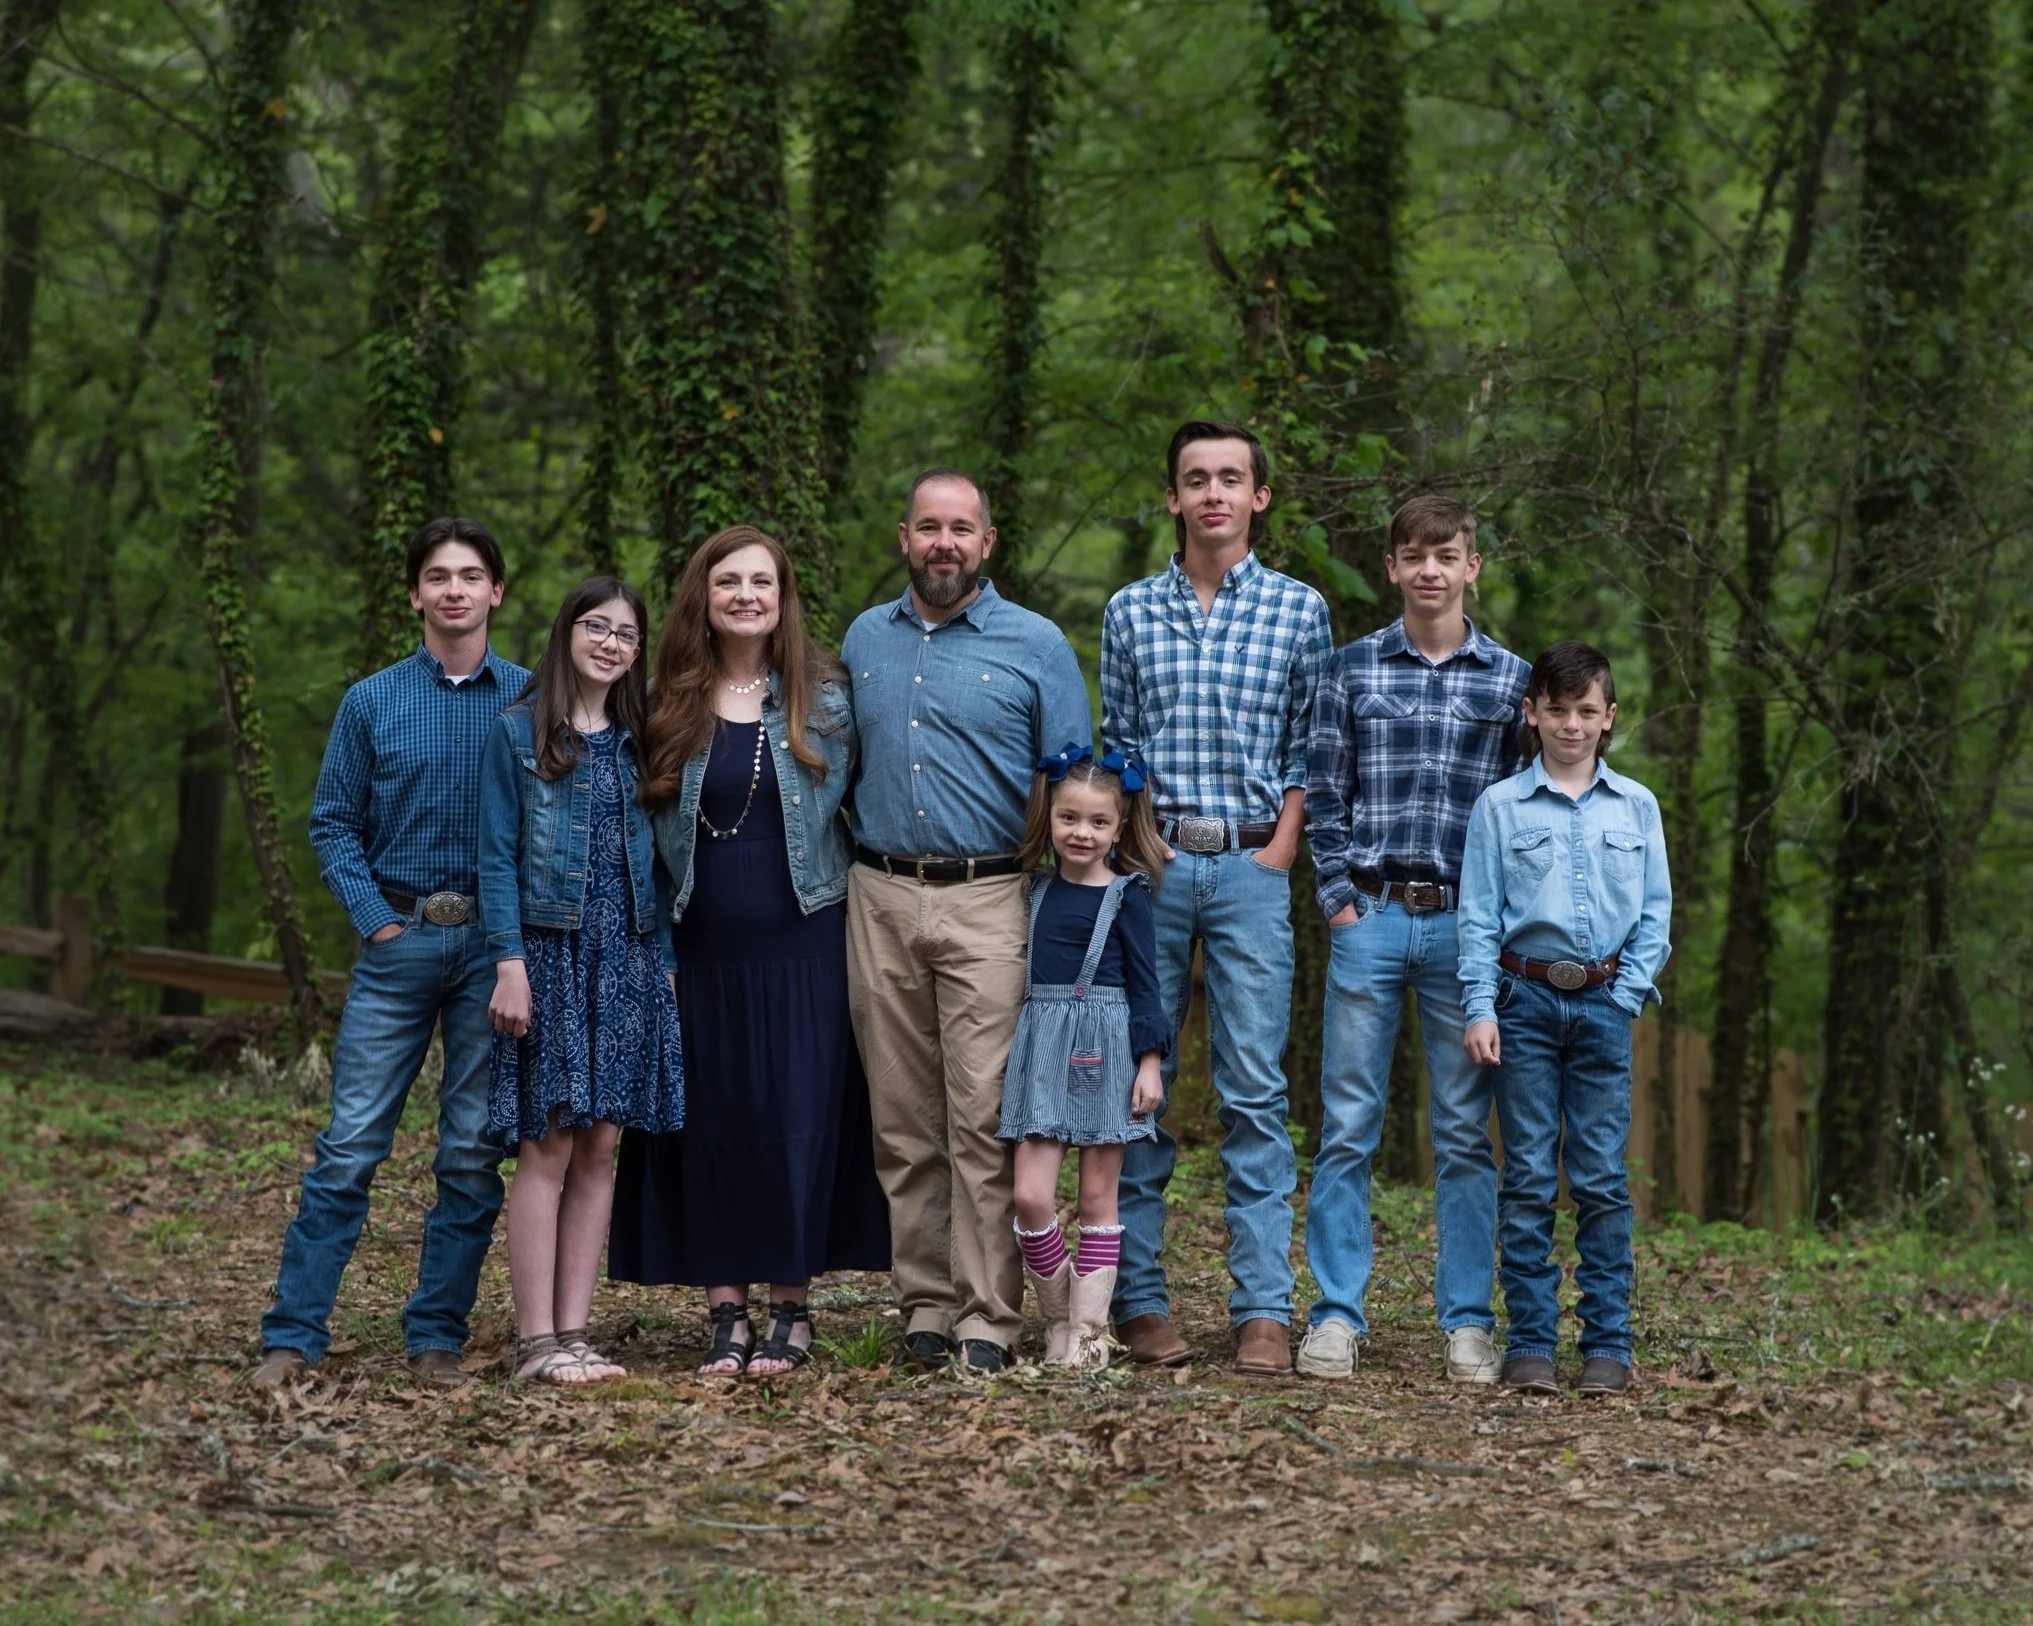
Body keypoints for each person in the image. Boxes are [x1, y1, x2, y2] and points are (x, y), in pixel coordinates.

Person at [256, 518, 530, 1388]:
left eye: (472, 575)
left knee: (470, 1151)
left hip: (495, 947)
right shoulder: (371, 701)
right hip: (399, 940)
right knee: (350, 1146)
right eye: (438, 577)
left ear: (496, 592)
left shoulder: (531, 699)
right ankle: (293, 1336)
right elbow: (332, 824)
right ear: (414, 594)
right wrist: (378, 921)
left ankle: (435, 1338)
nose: (455, 589)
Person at [611, 526, 890, 1378]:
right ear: (703, 594)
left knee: (797, 1120)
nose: (744, 595)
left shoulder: (828, 700)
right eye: (727, 581)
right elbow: (636, 836)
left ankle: (791, 1310)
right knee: (715, 1123)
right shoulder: (664, 699)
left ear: (782, 595)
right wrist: (648, 937)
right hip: (699, 944)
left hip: (808, 937)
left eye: (760, 582)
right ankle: (725, 1310)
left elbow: (870, 812)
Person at [843, 468, 1091, 1376]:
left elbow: (1073, 785)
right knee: (902, 1120)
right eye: (927, 527)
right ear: (903, 537)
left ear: (988, 542)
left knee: (984, 1117)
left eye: (961, 528)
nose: (943, 542)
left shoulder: (1036, 644)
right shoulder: (865, 638)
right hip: (877, 894)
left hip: (991, 896)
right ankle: (924, 1303)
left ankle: (989, 1317)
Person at [1100, 420, 1333, 1375]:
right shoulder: (1128, 611)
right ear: (1172, 498)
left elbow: (1311, 744)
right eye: (1195, 479)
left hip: (1249, 867)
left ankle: (1264, 1311)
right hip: (1153, 866)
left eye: (1230, 479)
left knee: (1252, 1089)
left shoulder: (1298, 609)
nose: (1212, 495)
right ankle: (1141, 1301)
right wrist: (1131, 846)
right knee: (1136, 1088)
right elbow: (1118, 741)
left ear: (1257, 497)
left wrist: (1280, 850)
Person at [1299, 494, 1530, 1384]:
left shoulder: (1511, 684)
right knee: (1348, 1124)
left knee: (1466, 1135)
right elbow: (1324, 793)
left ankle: (1467, 1322)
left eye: (1448, 555)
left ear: (1473, 566)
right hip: (1372, 916)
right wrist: (1338, 901)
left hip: (1466, 934)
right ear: (1391, 567)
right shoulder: (1349, 669)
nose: (1430, 570)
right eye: (1413, 556)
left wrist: (1498, 926)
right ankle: (1333, 1315)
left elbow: (1524, 816)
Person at [478, 577, 685, 1386]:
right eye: (596, 627)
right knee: (550, 1141)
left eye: (626, 634)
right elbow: (494, 856)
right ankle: (535, 1343)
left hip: (627, 956)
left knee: (602, 1145)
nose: (610, 643)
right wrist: (508, 966)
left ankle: (574, 1331)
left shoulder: (641, 739)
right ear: (566, 633)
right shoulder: (518, 734)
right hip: (548, 954)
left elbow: (660, 869)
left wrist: (663, 963)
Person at [1456, 642, 1670, 1396]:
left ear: (1608, 718)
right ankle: (1532, 1345)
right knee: (1526, 1180)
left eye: (1586, 711)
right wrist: (1480, 1008)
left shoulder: (1635, 806)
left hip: (1604, 1005)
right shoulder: (1500, 807)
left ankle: (1607, 1344)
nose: (1570, 724)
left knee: (1601, 1177)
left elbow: (1654, 913)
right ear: (1532, 713)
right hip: (1524, 1004)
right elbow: (1478, 917)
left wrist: (1625, 993)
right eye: (1556, 709)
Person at [1000, 746, 1169, 1367]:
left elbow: (1149, 987)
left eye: (1099, 822)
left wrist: (1149, 1063)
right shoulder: (1033, 889)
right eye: (1070, 818)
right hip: (1043, 1044)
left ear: (1120, 828)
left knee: (1099, 1199)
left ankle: (1088, 1337)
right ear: (1049, 817)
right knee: (1029, 1195)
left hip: (1110, 1047)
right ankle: (1061, 1319)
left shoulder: (1129, 896)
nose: (1082, 832)